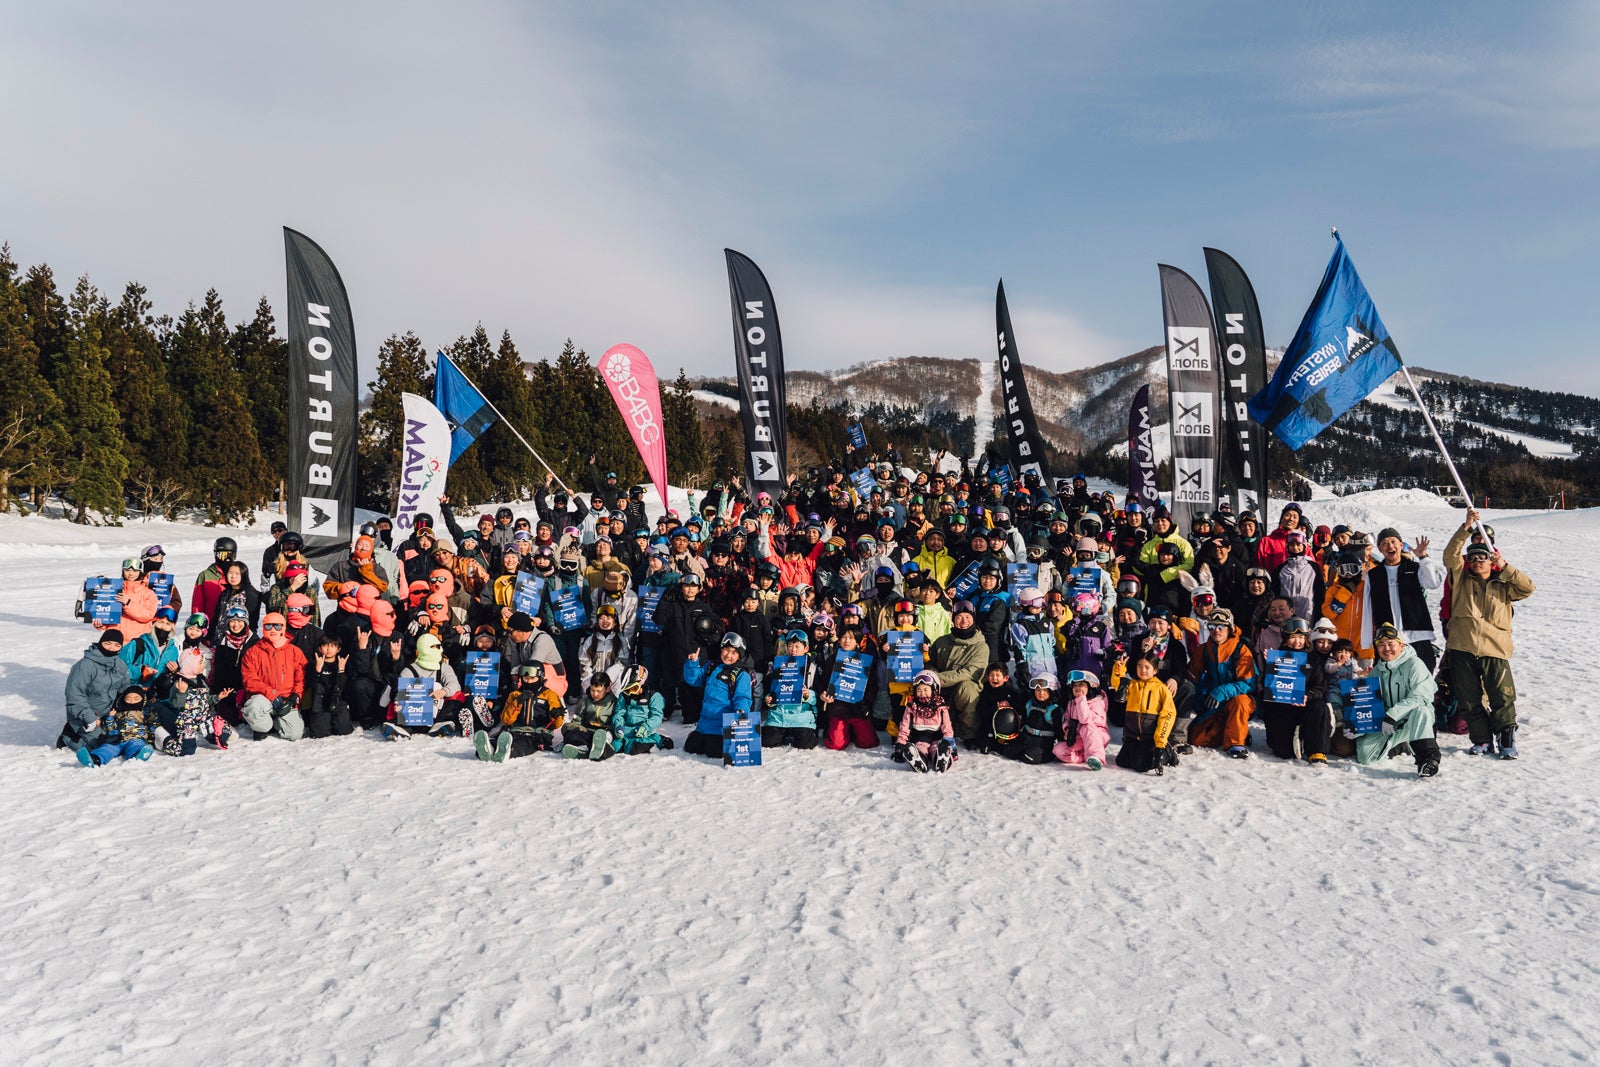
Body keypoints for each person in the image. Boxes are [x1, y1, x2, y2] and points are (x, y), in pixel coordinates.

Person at [1444, 511, 1535, 758]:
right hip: (1463, 647)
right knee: (1469, 699)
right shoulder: (1461, 580)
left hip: (1495, 649)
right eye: (1473, 558)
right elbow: (1449, 556)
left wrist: (1505, 567)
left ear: (1491, 560)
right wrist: (1466, 528)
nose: (1477, 561)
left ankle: (1506, 740)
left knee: (1502, 697)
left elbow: (1528, 587)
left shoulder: (1504, 585)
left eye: (1482, 557)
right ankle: (1482, 740)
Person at [1332, 622, 1442, 776]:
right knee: (1365, 756)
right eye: (1381, 645)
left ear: (1401, 645)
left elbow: (1421, 695)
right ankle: (1400, 744)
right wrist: (1358, 726)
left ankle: (1428, 760)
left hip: (1411, 718)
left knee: (1421, 710)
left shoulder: (1414, 664)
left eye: (1391, 644)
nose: (1386, 648)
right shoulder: (1377, 671)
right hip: (1387, 721)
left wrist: (1393, 715)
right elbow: (1367, 702)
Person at [1366, 527, 1445, 673]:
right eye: (1385, 543)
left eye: (1393, 541)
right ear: (1380, 549)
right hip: (1389, 639)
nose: (1390, 546)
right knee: (1391, 679)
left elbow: (1432, 583)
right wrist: (1367, 641)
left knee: (1422, 676)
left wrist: (1423, 558)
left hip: (1417, 635)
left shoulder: (1414, 568)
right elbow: (1367, 609)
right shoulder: (1374, 574)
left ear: (1401, 545)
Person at [1258, 618, 1331, 764]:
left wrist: (1307, 696)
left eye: (1301, 637)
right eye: (1293, 637)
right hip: (1283, 707)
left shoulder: (1314, 658)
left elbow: (1320, 687)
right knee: (1284, 753)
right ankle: (1294, 736)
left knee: (1320, 706)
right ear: (1285, 639)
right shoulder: (1278, 656)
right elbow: (1269, 688)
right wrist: (1271, 666)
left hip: (1306, 704)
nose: (1297, 642)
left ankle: (1317, 750)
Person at [1188, 608, 1257, 758]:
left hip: (1239, 700)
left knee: (1240, 702)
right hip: (1214, 703)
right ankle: (1235, 729)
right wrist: (1200, 702)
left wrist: (1223, 691)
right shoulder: (1204, 650)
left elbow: (1249, 683)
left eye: (1221, 626)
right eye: (1212, 626)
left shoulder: (1241, 649)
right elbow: (1192, 678)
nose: (1216, 630)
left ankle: (1236, 743)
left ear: (1229, 628)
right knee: (1197, 738)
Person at [681, 632, 755, 758]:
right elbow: (694, 680)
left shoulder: (741, 674)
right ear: (721, 649)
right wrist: (693, 664)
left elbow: (743, 697)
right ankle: (701, 734)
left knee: (714, 751)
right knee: (690, 747)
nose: (728, 655)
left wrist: (741, 711)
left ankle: (719, 740)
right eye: (726, 650)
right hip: (705, 722)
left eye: (734, 652)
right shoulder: (712, 665)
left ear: (739, 656)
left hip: (723, 724)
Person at [59, 629, 132, 753]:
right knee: (101, 745)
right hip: (85, 715)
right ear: (100, 643)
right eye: (107, 643)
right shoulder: (85, 665)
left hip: (108, 713)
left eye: (116, 645)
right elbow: (74, 697)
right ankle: (68, 737)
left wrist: (135, 696)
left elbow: (124, 688)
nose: (111, 648)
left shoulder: (120, 665)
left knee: (126, 735)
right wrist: (90, 717)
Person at [240, 612, 308, 741]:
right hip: (264, 698)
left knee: (295, 734)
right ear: (263, 627)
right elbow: (250, 680)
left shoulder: (295, 652)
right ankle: (264, 727)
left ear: (283, 628)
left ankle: (277, 722)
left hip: (286, 700)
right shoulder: (252, 652)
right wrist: (272, 694)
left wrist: (296, 696)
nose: (273, 630)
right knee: (254, 707)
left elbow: (301, 678)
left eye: (277, 626)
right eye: (268, 626)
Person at [475, 663, 564, 762]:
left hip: (537, 734)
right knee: (500, 740)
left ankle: (508, 751)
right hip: (515, 731)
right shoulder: (515, 694)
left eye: (532, 679)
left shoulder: (549, 695)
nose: (529, 682)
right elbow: (506, 720)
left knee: (522, 744)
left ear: (540, 677)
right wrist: (518, 702)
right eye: (525, 679)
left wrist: (555, 715)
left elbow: (556, 724)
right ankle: (487, 749)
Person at [1116, 653, 1177, 774]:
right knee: (1121, 761)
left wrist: (1159, 742)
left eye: (1147, 667)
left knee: (1140, 766)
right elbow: (1117, 684)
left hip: (1150, 738)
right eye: (1139, 666)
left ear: (1155, 670)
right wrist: (1119, 670)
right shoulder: (1132, 685)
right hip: (1133, 736)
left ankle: (1167, 752)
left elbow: (1168, 716)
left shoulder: (1161, 689)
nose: (1142, 670)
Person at [762, 630, 820, 749]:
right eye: (790, 646)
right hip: (780, 716)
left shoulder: (812, 668)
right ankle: (783, 732)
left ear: (806, 648)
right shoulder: (778, 665)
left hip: (801, 715)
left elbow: (819, 693)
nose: (793, 649)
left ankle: (801, 732)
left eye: (797, 646)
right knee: (768, 741)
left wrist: (809, 695)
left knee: (806, 743)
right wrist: (769, 699)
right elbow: (771, 690)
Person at [74, 686, 157, 766]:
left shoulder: (145, 713)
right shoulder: (119, 714)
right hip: (118, 739)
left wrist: (151, 741)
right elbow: (111, 727)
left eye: (136, 699)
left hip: (136, 737)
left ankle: (138, 755)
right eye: (128, 699)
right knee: (107, 748)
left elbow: (152, 726)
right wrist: (110, 717)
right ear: (123, 700)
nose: (132, 701)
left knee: (136, 745)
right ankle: (95, 759)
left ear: (143, 700)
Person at [895, 670, 956, 772]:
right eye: (919, 690)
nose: (922, 693)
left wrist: (950, 742)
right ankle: (918, 760)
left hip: (937, 736)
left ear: (934, 690)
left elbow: (947, 726)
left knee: (935, 748)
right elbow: (905, 726)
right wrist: (900, 744)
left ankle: (941, 758)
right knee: (920, 748)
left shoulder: (940, 706)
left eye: (926, 690)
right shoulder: (912, 706)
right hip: (919, 737)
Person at [1054, 669, 1110, 769]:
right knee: (1058, 750)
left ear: (1091, 686)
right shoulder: (1071, 703)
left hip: (1096, 737)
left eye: (1081, 685)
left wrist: (1081, 700)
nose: (1077, 688)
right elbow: (1067, 718)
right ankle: (1084, 756)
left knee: (1086, 727)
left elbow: (1085, 719)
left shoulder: (1097, 702)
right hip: (1080, 738)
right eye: (1075, 685)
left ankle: (1097, 757)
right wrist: (1067, 729)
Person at [610, 665, 671, 755]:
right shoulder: (624, 696)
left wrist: (646, 727)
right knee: (614, 746)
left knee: (635, 747)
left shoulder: (653, 696)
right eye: (627, 690)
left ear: (642, 682)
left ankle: (657, 739)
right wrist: (618, 725)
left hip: (643, 731)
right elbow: (619, 713)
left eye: (634, 688)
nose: (630, 692)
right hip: (626, 731)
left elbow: (657, 717)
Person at [303, 633, 353, 738]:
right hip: (320, 702)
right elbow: (311, 685)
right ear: (320, 648)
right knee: (319, 733)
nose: (328, 649)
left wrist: (341, 671)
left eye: (332, 646)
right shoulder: (314, 664)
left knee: (344, 730)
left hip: (338, 701)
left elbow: (344, 688)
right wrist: (317, 670)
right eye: (325, 645)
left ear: (338, 649)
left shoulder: (342, 664)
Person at [562, 668, 619, 760]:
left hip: (604, 732)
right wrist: (571, 729)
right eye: (593, 690)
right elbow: (578, 719)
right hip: (587, 731)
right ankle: (585, 749)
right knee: (568, 730)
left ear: (608, 689)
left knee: (606, 742)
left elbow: (617, 720)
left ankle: (596, 749)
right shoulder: (586, 701)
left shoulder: (613, 702)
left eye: (599, 691)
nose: (595, 694)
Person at [1018, 673, 1061, 764]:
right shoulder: (1030, 704)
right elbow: (1025, 720)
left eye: (1045, 690)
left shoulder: (1053, 709)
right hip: (1027, 738)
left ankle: (1050, 755)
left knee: (1028, 757)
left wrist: (1061, 743)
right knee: (1010, 751)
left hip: (1043, 742)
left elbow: (1059, 729)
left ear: (1051, 691)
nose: (1041, 693)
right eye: (1038, 690)